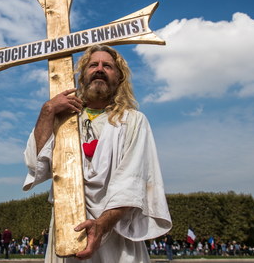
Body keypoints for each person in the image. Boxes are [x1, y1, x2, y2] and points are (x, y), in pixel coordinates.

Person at [23, 44, 172, 262]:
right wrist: (47, 111)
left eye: (108, 66)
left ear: (119, 78)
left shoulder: (132, 121)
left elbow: (132, 182)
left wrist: (101, 226)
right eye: (93, 65)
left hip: (116, 235)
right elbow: (36, 165)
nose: (99, 69)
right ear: (82, 76)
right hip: (68, 230)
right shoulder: (63, 120)